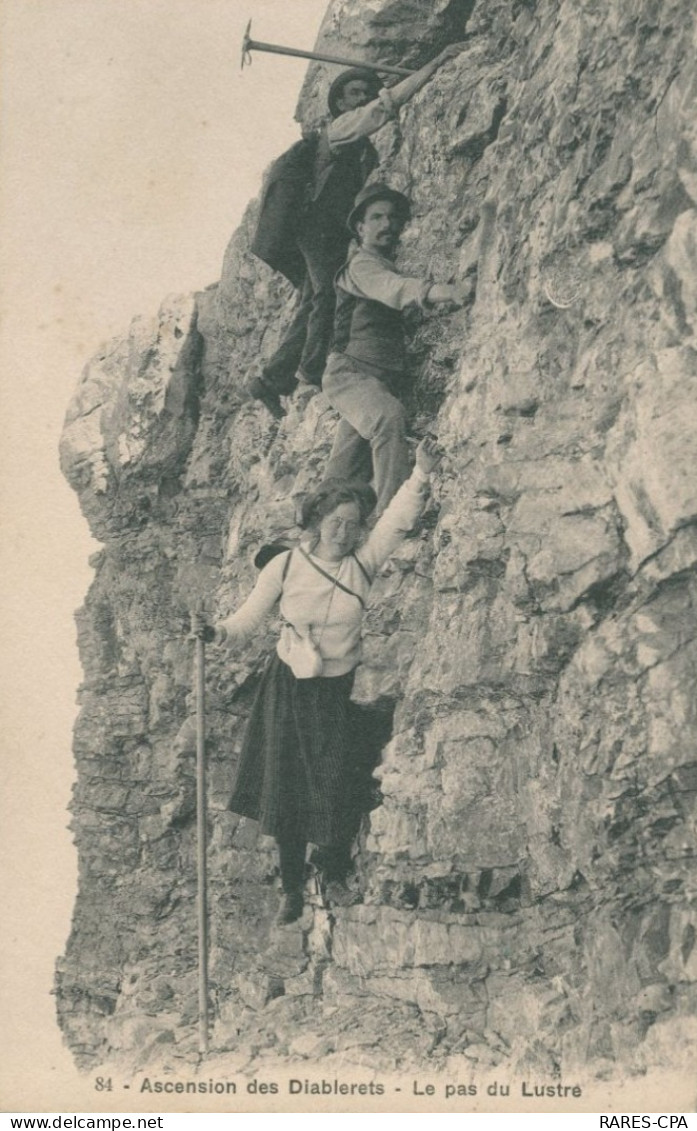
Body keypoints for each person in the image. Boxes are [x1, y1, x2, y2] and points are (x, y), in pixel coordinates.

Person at [192, 437, 441, 925]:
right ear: (316, 521)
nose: (345, 533)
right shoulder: (286, 565)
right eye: (336, 522)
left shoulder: (362, 564)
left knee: (335, 781)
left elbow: (398, 519)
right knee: (286, 788)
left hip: (334, 689)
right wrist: (215, 633)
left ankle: (327, 860)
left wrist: (422, 474)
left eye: (352, 525)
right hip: (287, 689)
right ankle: (290, 889)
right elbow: (246, 619)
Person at [248, 45, 464, 419]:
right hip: (316, 229)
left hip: (324, 230)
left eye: (365, 91)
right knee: (328, 294)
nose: (360, 99)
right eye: (354, 93)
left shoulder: (359, 149)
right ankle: (312, 371)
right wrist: (434, 64)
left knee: (311, 298)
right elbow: (383, 108)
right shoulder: (340, 130)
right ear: (337, 102)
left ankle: (271, 379)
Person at [321, 183, 468, 515]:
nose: (386, 224)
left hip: (378, 379)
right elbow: (393, 289)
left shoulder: (384, 264)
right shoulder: (361, 265)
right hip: (351, 374)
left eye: (392, 218)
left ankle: (312, 532)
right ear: (360, 228)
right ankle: (394, 513)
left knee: (345, 471)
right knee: (388, 416)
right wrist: (447, 291)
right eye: (376, 217)